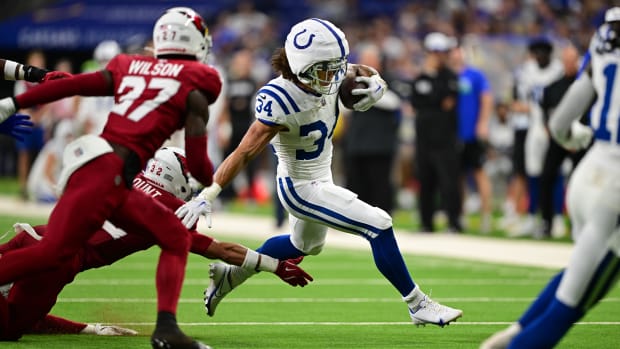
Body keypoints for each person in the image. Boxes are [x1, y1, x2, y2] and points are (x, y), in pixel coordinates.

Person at [175, 18, 463, 326]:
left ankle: (229, 276)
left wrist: (379, 83)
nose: (337, 75)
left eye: (336, 66)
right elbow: (244, 152)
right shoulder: (280, 100)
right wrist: (209, 193)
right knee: (378, 224)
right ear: (303, 68)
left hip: (321, 175)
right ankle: (417, 304)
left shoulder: (325, 70)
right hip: (299, 187)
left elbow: (360, 71)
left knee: (304, 246)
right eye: (327, 69)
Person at [0, 7, 222, 349]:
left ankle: (167, 330)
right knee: (51, 255)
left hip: (103, 169)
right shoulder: (199, 84)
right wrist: (208, 187)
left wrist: (13, 103)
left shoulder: (128, 65)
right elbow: (200, 167)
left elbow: (70, 86)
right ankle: (167, 330)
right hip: (108, 173)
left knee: (173, 236)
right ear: (196, 42)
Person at [0, 147, 311, 341]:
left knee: (24, 320)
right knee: (9, 329)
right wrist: (274, 265)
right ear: (177, 179)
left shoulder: (126, 177)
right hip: (54, 262)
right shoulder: (165, 210)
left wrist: (88, 329)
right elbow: (220, 250)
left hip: (32, 236)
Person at [481, 7, 620, 348]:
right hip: (615, 186)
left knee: (581, 271)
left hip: (591, 171)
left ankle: (516, 333)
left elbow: (560, 124)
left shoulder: (604, 38)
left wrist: (580, 140)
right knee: (573, 302)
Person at [504, 37, 564, 237]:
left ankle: (556, 217)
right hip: (535, 125)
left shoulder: (558, 70)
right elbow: (518, 97)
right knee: (532, 173)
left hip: (555, 126)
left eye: (542, 52)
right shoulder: (526, 71)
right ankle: (532, 216)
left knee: (555, 174)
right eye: (536, 52)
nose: (539, 56)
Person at [409, 32, 462, 233]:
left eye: (443, 52)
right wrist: (435, 100)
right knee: (425, 181)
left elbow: (447, 101)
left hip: (445, 138)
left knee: (448, 182)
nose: (440, 56)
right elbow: (416, 102)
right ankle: (426, 222)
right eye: (437, 52)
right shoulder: (421, 76)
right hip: (424, 138)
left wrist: (431, 99)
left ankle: (454, 222)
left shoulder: (451, 77)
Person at [537, 45, 589, 239]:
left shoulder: (585, 85)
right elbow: (546, 114)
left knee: (580, 183)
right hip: (558, 140)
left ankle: (581, 223)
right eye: (566, 60)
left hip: (581, 141)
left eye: (572, 60)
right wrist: (553, 132)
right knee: (546, 177)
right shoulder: (553, 87)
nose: (569, 64)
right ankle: (546, 222)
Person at [343, 44, 401, 214]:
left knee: (380, 185)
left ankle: (383, 219)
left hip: (380, 144)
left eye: (370, 60)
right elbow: (344, 107)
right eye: (364, 60)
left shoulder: (388, 79)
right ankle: (354, 220)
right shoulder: (352, 81)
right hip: (357, 142)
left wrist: (369, 92)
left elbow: (395, 103)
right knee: (355, 185)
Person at [450, 45, 494, 233]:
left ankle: (486, 216)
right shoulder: (448, 76)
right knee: (457, 176)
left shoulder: (475, 75)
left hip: (472, 133)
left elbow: (487, 98)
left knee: (479, 173)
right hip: (454, 134)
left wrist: (483, 123)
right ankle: (461, 215)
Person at [26, 119, 74, 202]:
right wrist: (57, 190)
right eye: (67, 136)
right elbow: (47, 174)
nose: (69, 139)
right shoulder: (54, 148)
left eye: (70, 135)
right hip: (41, 184)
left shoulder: (64, 149)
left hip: (51, 182)